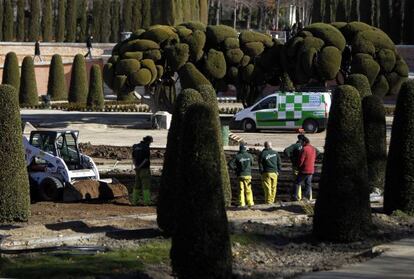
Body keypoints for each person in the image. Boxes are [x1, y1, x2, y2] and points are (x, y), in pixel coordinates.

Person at [132, 135, 153, 205]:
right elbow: (146, 159)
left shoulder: (135, 146)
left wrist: (136, 166)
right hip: (144, 169)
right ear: (148, 141)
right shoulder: (146, 148)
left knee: (137, 185)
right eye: (150, 142)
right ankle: (147, 201)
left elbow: (133, 158)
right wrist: (140, 167)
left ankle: (135, 201)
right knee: (145, 186)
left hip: (137, 169)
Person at [284, 134, 306, 201]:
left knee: (297, 182)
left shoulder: (295, 145)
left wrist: (291, 158)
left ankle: (298, 197)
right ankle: (308, 197)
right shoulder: (306, 146)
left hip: (296, 166)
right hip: (305, 167)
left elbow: (286, 151)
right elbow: (317, 152)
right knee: (307, 183)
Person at [296, 137, 317, 201]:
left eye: (302, 142)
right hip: (311, 169)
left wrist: (298, 167)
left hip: (304, 170)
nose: (301, 143)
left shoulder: (304, 149)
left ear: (304, 142)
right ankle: (306, 197)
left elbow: (301, 160)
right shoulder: (313, 148)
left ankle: (295, 196)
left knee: (297, 183)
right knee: (308, 184)